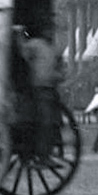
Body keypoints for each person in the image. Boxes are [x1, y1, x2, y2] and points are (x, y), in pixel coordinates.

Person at [15, 25, 62, 160]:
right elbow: (24, 52)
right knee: (45, 122)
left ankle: (47, 152)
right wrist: (20, 36)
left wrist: (59, 74)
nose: (50, 32)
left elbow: (59, 65)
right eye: (48, 30)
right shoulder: (36, 44)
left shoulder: (53, 48)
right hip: (38, 88)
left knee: (52, 123)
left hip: (50, 88)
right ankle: (42, 155)